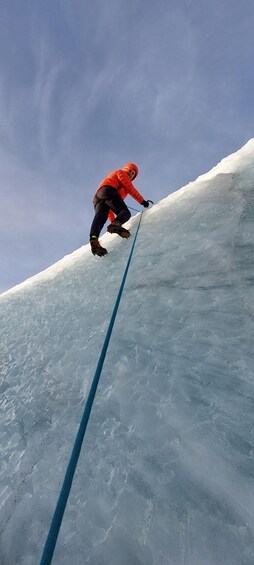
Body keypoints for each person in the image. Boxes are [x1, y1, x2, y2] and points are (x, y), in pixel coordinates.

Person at [89, 162, 151, 256]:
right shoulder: (121, 173)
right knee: (125, 213)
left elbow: (110, 208)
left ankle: (94, 241)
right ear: (126, 169)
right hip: (108, 190)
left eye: (133, 174)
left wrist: (113, 221)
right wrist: (143, 202)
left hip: (98, 197)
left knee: (100, 219)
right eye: (130, 171)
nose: (130, 174)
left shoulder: (122, 188)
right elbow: (131, 189)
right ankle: (115, 225)